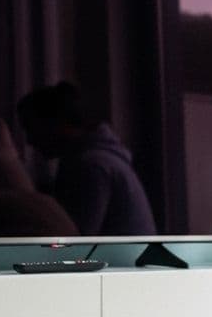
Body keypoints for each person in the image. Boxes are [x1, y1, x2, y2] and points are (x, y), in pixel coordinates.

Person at [17, 81, 156, 237]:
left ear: (55, 123)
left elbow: (77, 242)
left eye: (32, 128)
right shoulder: (96, 161)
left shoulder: (92, 167)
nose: (29, 140)